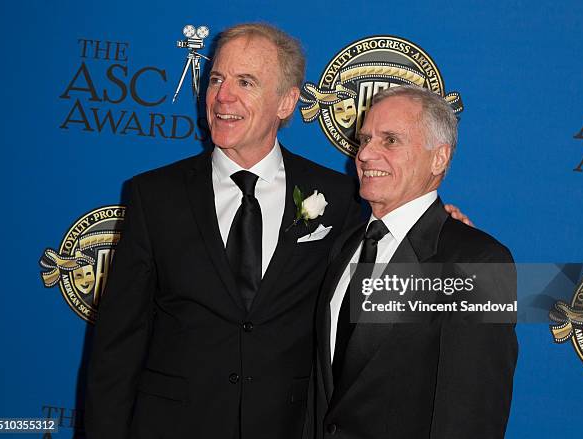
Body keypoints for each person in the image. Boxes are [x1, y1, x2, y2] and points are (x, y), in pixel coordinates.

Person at [85, 23, 471, 439]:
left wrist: (443, 235)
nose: (222, 96)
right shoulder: (152, 195)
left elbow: (392, 257)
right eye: (216, 79)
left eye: (245, 82)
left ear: (286, 101)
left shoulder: (341, 198)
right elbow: (116, 346)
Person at [310, 85, 518, 439]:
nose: (365, 154)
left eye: (390, 140)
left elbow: (474, 415)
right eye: (366, 139)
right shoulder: (344, 245)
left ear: (439, 158)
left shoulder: (479, 261)